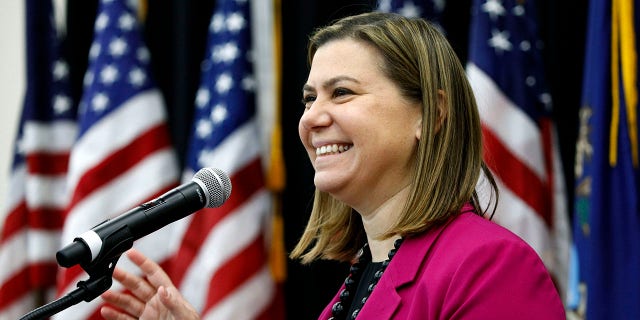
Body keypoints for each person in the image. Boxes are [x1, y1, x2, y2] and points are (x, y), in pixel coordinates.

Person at [100, 11, 565, 320]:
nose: (312, 118)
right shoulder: (355, 286)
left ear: (431, 113)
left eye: (341, 92)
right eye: (308, 98)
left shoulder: (488, 265)